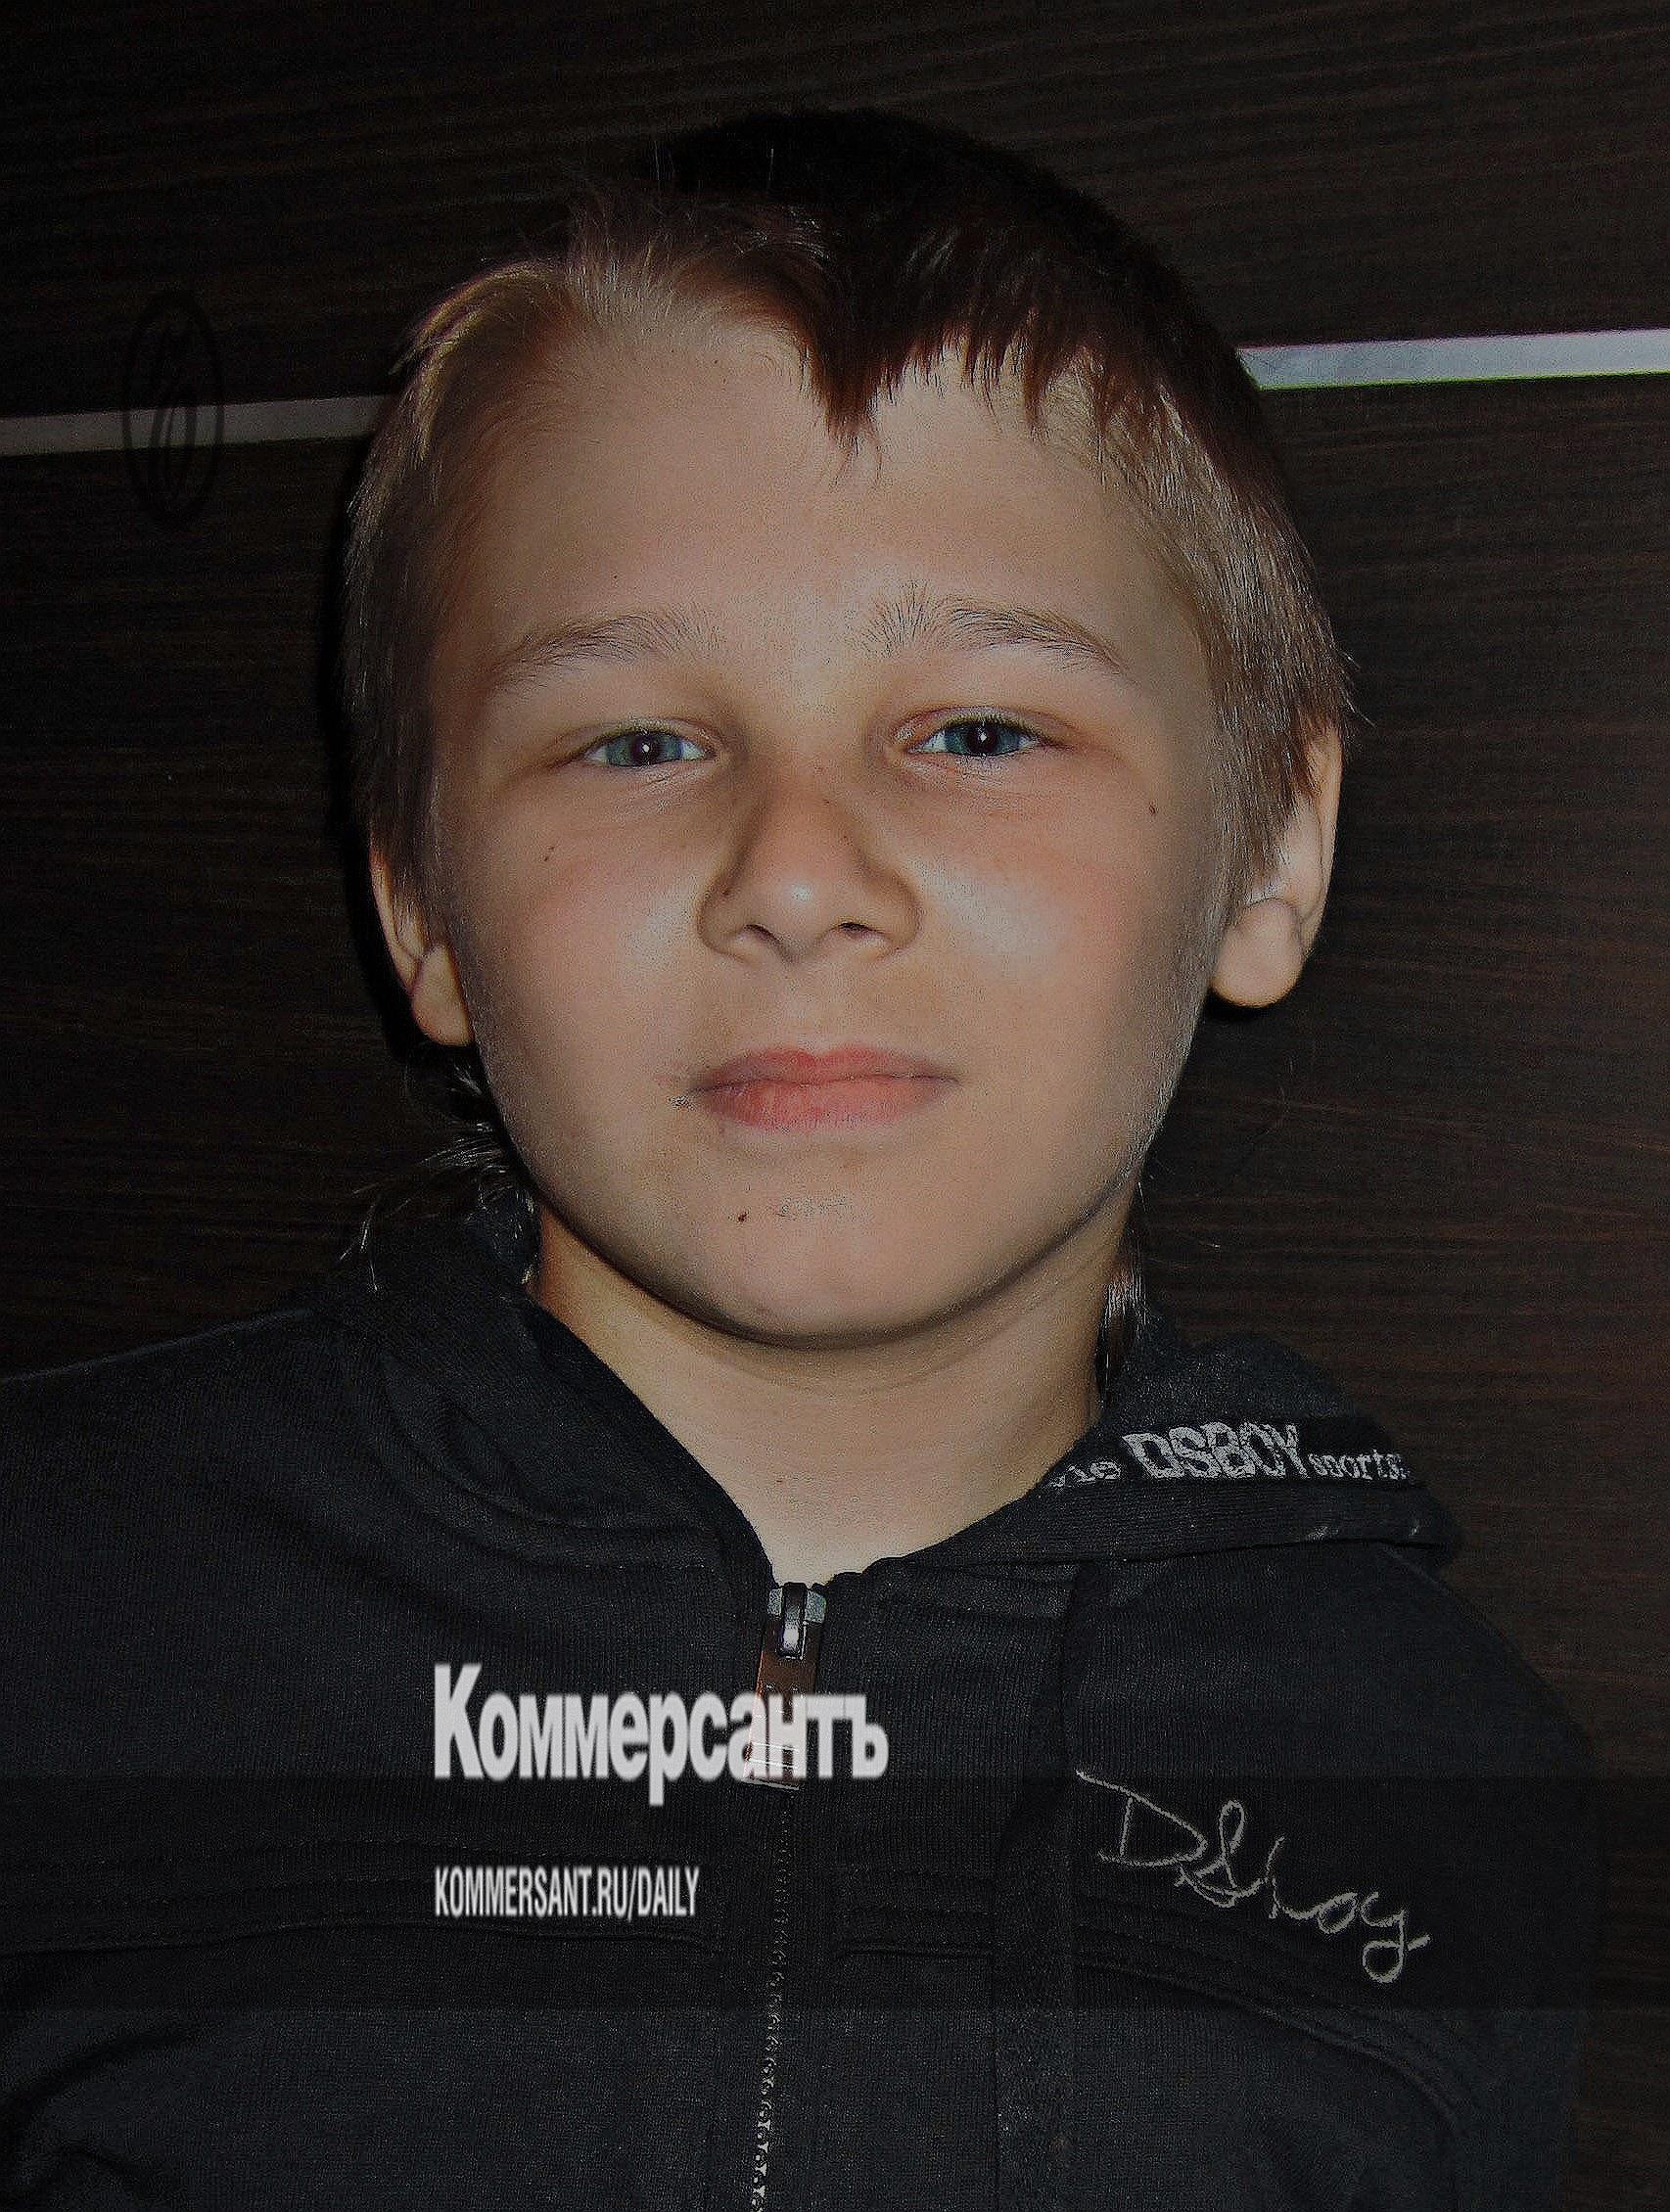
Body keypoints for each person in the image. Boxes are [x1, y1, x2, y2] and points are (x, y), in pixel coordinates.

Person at [0, 108, 1596, 2209]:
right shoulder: (60, 1615)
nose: (796, 869)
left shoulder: (1437, 1770)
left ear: (1269, 849)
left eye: (978, 730)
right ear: (421, 903)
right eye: (639, 740)